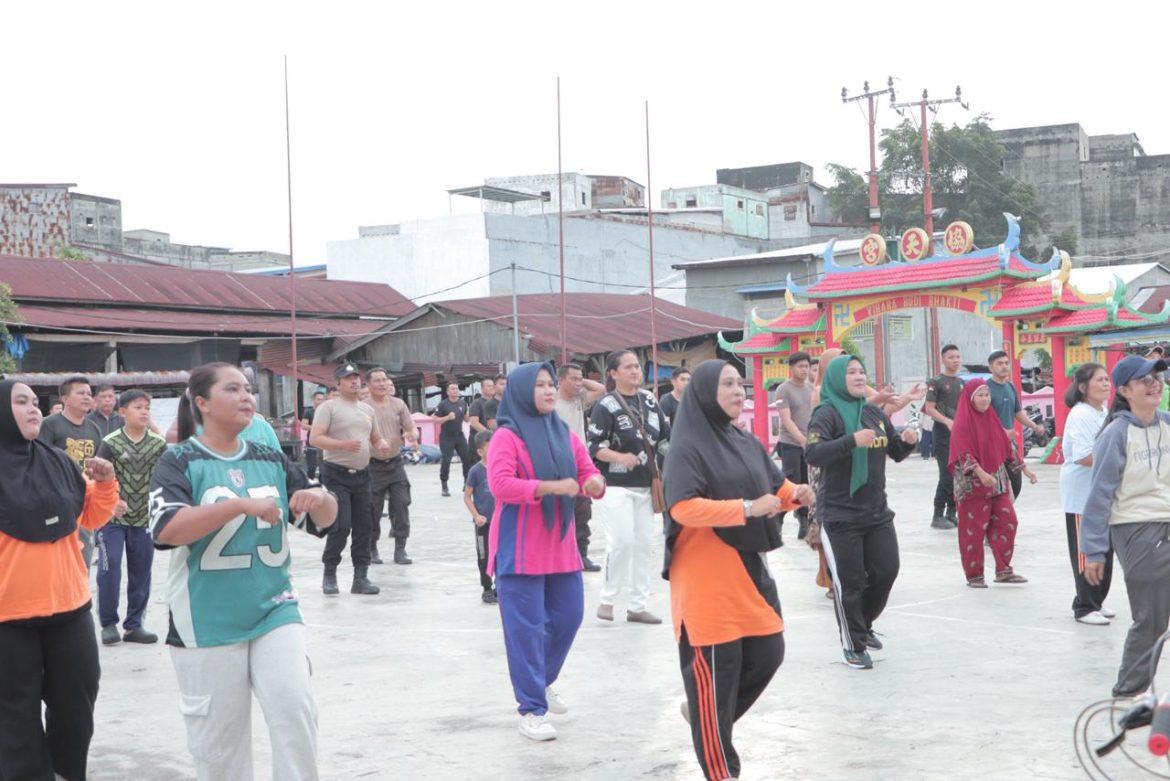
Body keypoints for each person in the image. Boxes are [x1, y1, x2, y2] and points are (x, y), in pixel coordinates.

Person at [150, 362, 338, 781]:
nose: (246, 397)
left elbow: (320, 520)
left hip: (275, 608)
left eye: (248, 389)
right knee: (220, 750)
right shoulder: (178, 461)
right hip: (206, 620)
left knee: (296, 713)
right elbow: (166, 531)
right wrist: (236, 505)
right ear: (202, 402)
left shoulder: (270, 456)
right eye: (232, 389)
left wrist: (319, 496)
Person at [663, 360, 812, 781]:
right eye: (727, 384)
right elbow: (682, 508)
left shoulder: (745, 441)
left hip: (748, 570)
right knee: (718, 674)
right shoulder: (685, 447)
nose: (738, 391)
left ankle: (704, 714)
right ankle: (721, 769)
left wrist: (795, 495)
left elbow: (774, 488)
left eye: (740, 384)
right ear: (706, 392)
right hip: (706, 580)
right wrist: (746, 509)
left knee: (769, 653)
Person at [0, 379, 119, 781]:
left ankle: (66, 773)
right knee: (15, 719)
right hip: (7, 619)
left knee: (76, 707)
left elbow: (90, 517)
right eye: (21, 402)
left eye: (36, 402)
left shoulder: (58, 461)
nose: (34, 408)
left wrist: (104, 484)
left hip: (69, 609)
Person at [486, 361, 605, 741]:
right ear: (522, 391)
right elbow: (501, 486)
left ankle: (542, 679)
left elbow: (586, 470)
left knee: (569, 616)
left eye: (551, 384)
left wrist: (595, 483)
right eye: (539, 385)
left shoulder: (564, 433)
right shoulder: (507, 436)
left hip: (560, 544)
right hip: (519, 547)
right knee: (525, 629)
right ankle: (532, 709)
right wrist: (550, 488)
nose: (550, 391)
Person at [805, 354, 919, 670]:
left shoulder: (872, 413)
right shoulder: (825, 414)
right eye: (851, 372)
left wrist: (908, 441)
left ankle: (863, 623)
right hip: (840, 515)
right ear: (836, 378)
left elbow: (894, 451)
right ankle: (854, 645)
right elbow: (813, 453)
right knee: (850, 582)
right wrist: (850, 441)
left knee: (886, 570)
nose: (858, 376)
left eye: (862, 371)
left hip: (876, 512)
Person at [1082, 354, 1170, 698]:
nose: (1154, 384)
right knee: (1151, 620)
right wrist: (1093, 550)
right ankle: (1127, 692)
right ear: (1125, 390)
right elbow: (1098, 496)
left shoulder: (1167, 424)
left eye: (1158, 378)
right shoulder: (1116, 434)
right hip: (1136, 530)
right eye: (1145, 380)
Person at [587, 349, 670, 625]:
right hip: (615, 485)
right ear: (613, 373)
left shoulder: (649, 400)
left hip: (647, 485)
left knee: (644, 544)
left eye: (637, 366)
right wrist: (620, 457)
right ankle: (608, 600)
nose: (635, 371)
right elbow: (594, 447)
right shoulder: (606, 405)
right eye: (628, 367)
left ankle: (638, 605)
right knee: (622, 541)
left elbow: (666, 440)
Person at [309, 362, 392, 596]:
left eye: (357, 378)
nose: (355, 381)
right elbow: (316, 438)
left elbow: (375, 437)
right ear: (338, 383)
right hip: (336, 473)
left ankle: (361, 577)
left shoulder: (367, 410)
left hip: (363, 475)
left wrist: (381, 444)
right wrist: (341, 445)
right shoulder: (329, 408)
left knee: (365, 526)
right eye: (349, 378)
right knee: (341, 525)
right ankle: (330, 573)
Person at [94, 389, 168, 646]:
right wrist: (112, 501)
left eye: (147, 407)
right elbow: (97, 478)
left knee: (142, 572)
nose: (145, 411)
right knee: (109, 567)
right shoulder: (110, 442)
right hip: (111, 518)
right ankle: (108, 624)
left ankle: (134, 625)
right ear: (122, 412)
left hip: (144, 519)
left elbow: (163, 479)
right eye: (138, 407)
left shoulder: (158, 444)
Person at [947, 379, 1037, 588]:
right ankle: (975, 576)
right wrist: (979, 472)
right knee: (974, 531)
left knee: (1008, 522)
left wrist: (1025, 469)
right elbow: (963, 453)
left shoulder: (992, 419)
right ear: (970, 398)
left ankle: (1004, 570)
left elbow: (1006, 448)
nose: (985, 399)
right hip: (972, 487)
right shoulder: (962, 423)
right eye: (980, 395)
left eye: (987, 395)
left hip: (996, 483)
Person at [1060, 362, 1115, 625]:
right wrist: (1117, 461)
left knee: (1104, 549)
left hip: (1101, 495)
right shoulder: (1081, 414)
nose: (1106, 384)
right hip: (1082, 496)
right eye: (1100, 380)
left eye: (1107, 380)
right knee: (1086, 551)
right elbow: (1083, 456)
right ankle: (1084, 606)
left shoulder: (1102, 410)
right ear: (1083, 387)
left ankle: (1096, 600)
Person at [38, 374, 104, 570]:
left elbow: (96, 466)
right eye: (80, 393)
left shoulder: (94, 429)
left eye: (89, 393)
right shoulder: (50, 424)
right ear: (65, 399)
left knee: (83, 558)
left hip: (83, 501)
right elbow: (38, 461)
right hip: (55, 501)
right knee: (56, 561)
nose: (86, 397)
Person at [554, 362, 607, 572]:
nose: (578, 383)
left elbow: (601, 389)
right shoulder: (552, 403)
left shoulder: (579, 399)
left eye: (580, 379)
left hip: (581, 465)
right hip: (558, 466)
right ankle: (560, 556)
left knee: (582, 512)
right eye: (573, 379)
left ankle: (581, 555)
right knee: (559, 512)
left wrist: (579, 379)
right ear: (560, 381)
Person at [366, 368, 418, 565]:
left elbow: (410, 426)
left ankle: (400, 548)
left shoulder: (398, 404)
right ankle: (372, 547)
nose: (381, 384)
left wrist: (412, 434)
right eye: (377, 381)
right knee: (372, 509)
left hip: (395, 463)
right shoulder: (363, 407)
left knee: (401, 503)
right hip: (372, 466)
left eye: (384, 380)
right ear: (369, 385)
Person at [986, 350, 1046, 499]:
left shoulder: (1010, 387)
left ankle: (1003, 517)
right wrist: (1000, 432)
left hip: (1010, 445)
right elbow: (982, 419)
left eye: (1006, 363)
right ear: (990, 367)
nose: (1004, 366)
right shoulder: (985, 389)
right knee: (997, 486)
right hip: (991, 445)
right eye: (999, 364)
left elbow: (1018, 413)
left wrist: (1034, 426)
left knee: (1016, 484)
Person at [924, 344, 965, 529]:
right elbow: (929, 408)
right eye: (951, 357)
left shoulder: (962, 382)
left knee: (959, 474)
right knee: (946, 474)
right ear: (943, 359)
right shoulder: (936, 382)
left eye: (957, 357)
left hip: (960, 435)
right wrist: (947, 422)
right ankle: (937, 514)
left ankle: (952, 513)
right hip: (942, 434)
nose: (955, 360)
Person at [774, 351, 814, 542]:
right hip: (790, 443)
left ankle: (804, 519)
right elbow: (786, 419)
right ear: (792, 368)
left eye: (806, 366)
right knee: (790, 482)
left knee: (807, 482)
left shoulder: (811, 389)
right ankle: (778, 518)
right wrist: (801, 440)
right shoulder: (783, 389)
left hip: (809, 444)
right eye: (801, 366)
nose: (804, 370)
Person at [465, 430, 498, 604]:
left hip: (500, 522)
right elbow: (467, 496)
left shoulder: (503, 467)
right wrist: (476, 515)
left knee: (501, 555)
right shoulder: (476, 471)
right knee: (484, 556)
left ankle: (500, 587)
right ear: (480, 451)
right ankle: (487, 588)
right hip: (483, 524)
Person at [432, 381, 470, 497]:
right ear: (448, 392)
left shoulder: (463, 403)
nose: (455, 391)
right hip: (446, 436)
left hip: (459, 435)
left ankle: (467, 483)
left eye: (457, 389)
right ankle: (444, 485)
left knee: (467, 459)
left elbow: (466, 419)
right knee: (446, 460)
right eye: (452, 389)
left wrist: (468, 416)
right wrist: (447, 417)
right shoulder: (443, 404)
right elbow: (435, 419)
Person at [302, 390, 327, 479]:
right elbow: (304, 425)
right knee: (311, 468)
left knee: (323, 469)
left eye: (322, 400)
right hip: (311, 444)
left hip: (324, 444)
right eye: (318, 399)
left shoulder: (327, 412)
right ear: (314, 400)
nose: (320, 402)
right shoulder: (308, 411)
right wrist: (316, 428)